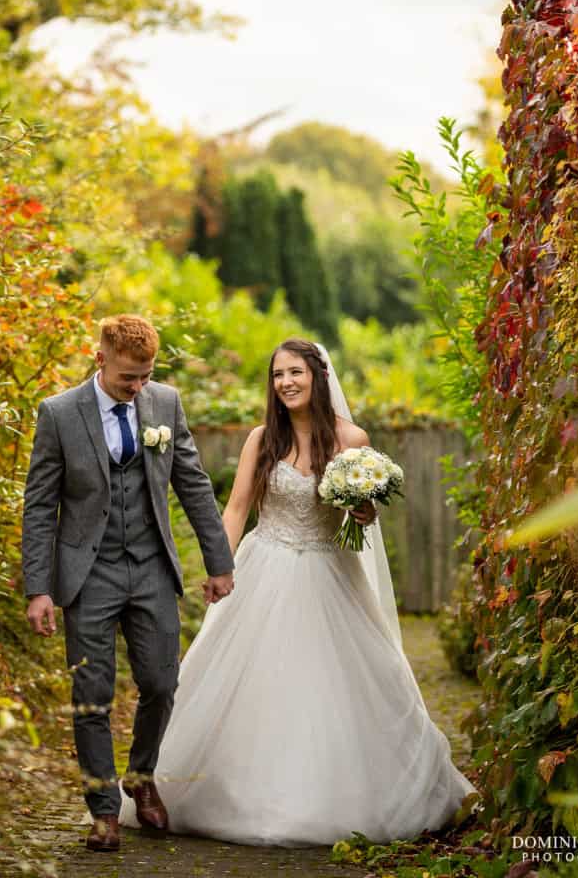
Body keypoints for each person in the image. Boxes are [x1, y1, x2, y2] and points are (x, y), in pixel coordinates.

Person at [120, 337, 477, 846]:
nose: (286, 382)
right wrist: (219, 566)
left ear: (317, 376)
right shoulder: (261, 440)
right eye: (277, 374)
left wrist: (364, 510)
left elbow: (365, 515)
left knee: (336, 682)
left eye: (295, 372)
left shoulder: (353, 441)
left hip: (331, 572)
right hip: (264, 567)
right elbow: (237, 507)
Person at [22, 314, 234, 852]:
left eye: (145, 377)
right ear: (101, 360)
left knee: (162, 684)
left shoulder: (164, 403)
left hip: (151, 568)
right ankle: (103, 811)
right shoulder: (59, 413)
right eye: (127, 379)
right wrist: (38, 587)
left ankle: (141, 776)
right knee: (91, 695)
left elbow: (192, 481)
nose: (138, 388)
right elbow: (40, 506)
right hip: (87, 575)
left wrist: (219, 561)